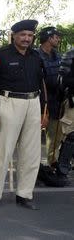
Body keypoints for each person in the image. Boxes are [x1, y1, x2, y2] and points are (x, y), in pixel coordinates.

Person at [0, 19, 47, 210]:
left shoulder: (36, 57)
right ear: (14, 36)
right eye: (23, 35)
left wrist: (45, 111)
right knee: (4, 151)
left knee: (31, 153)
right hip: (8, 103)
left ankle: (24, 194)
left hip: (33, 104)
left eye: (30, 35)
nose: (26, 39)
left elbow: (41, 85)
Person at [37, 26, 62, 166]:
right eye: (56, 37)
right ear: (48, 38)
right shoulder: (35, 55)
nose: (58, 39)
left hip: (56, 100)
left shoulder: (57, 55)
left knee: (54, 136)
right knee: (33, 136)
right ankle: (33, 166)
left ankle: (52, 164)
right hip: (39, 102)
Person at [53, 45, 74, 185]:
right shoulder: (71, 55)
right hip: (73, 100)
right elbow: (63, 81)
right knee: (71, 136)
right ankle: (62, 171)